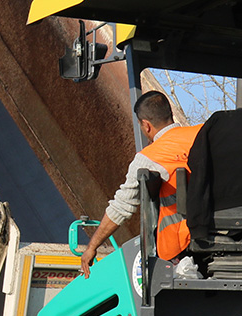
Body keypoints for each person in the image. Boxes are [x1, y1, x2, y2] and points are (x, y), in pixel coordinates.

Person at [79, 91, 202, 278]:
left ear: (146, 125)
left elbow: (122, 207)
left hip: (179, 244)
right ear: (170, 115)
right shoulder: (203, 135)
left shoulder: (149, 157)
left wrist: (92, 246)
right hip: (224, 229)